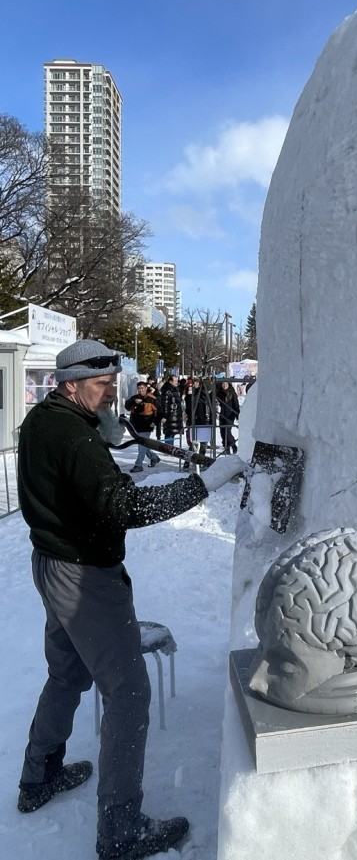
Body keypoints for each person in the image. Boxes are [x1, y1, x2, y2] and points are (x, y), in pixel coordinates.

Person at [16, 339, 245, 860]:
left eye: (111, 386)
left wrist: (102, 431)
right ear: (70, 384)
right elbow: (123, 507)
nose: (109, 396)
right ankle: (120, 828)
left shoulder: (46, 419)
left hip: (51, 562)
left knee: (67, 673)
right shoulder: (72, 436)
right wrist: (204, 484)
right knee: (129, 693)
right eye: (99, 387)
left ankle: (39, 777)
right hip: (83, 575)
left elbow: (78, 470)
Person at [125, 381, 160, 473]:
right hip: (135, 425)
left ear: (146, 388)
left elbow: (159, 412)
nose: (141, 390)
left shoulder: (151, 399)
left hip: (146, 425)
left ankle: (138, 465)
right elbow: (127, 407)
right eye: (139, 388)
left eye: (142, 388)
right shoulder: (134, 398)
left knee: (142, 445)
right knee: (143, 445)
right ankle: (154, 457)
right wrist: (133, 401)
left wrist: (154, 422)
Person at [159, 375, 183, 445]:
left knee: (172, 433)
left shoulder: (175, 389)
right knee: (169, 432)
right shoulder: (167, 390)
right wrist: (165, 416)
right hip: (170, 416)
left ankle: (170, 446)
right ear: (170, 381)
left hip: (175, 415)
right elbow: (165, 404)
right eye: (175, 381)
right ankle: (168, 447)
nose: (176, 382)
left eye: (177, 381)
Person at [217, 380, 240, 454]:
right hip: (222, 414)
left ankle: (233, 446)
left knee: (227, 432)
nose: (224, 385)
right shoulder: (219, 392)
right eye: (223, 384)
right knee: (222, 432)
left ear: (228, 384)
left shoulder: (232, 393)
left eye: (225, 384)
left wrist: (238, 415)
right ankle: (226, 448)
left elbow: (236, 405)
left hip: (230, 415)